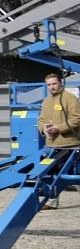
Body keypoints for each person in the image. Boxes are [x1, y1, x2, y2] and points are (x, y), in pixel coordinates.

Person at [37, 72, 80, 209]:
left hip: (71, 145)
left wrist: (59, 128)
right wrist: (45, 129)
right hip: (52, 145)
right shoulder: (46, 101)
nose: (52, 87)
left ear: (61, 82)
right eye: (49, 85)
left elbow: (77, 119)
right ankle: (51, 202)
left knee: (75, 175)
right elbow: (41, 120)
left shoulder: (70, 98)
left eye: (54, 83)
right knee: (51, 174)